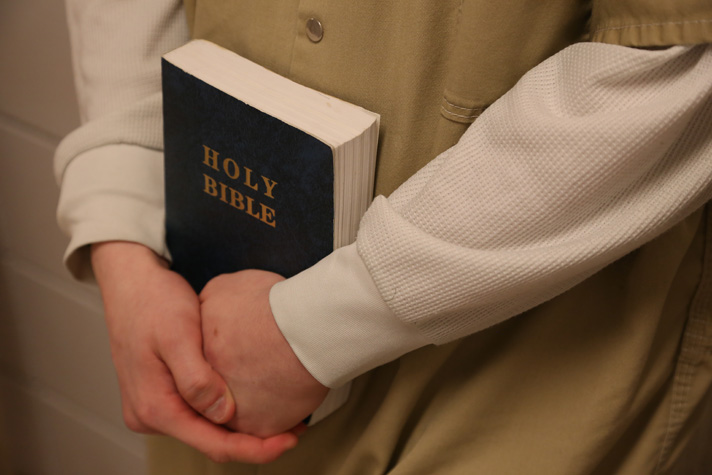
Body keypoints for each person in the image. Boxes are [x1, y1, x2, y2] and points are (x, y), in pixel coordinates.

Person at [56, 0, 712, 473]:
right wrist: (123, 227)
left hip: (524, 365)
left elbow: (679, 54)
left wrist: (324, 322)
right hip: (200, 319)